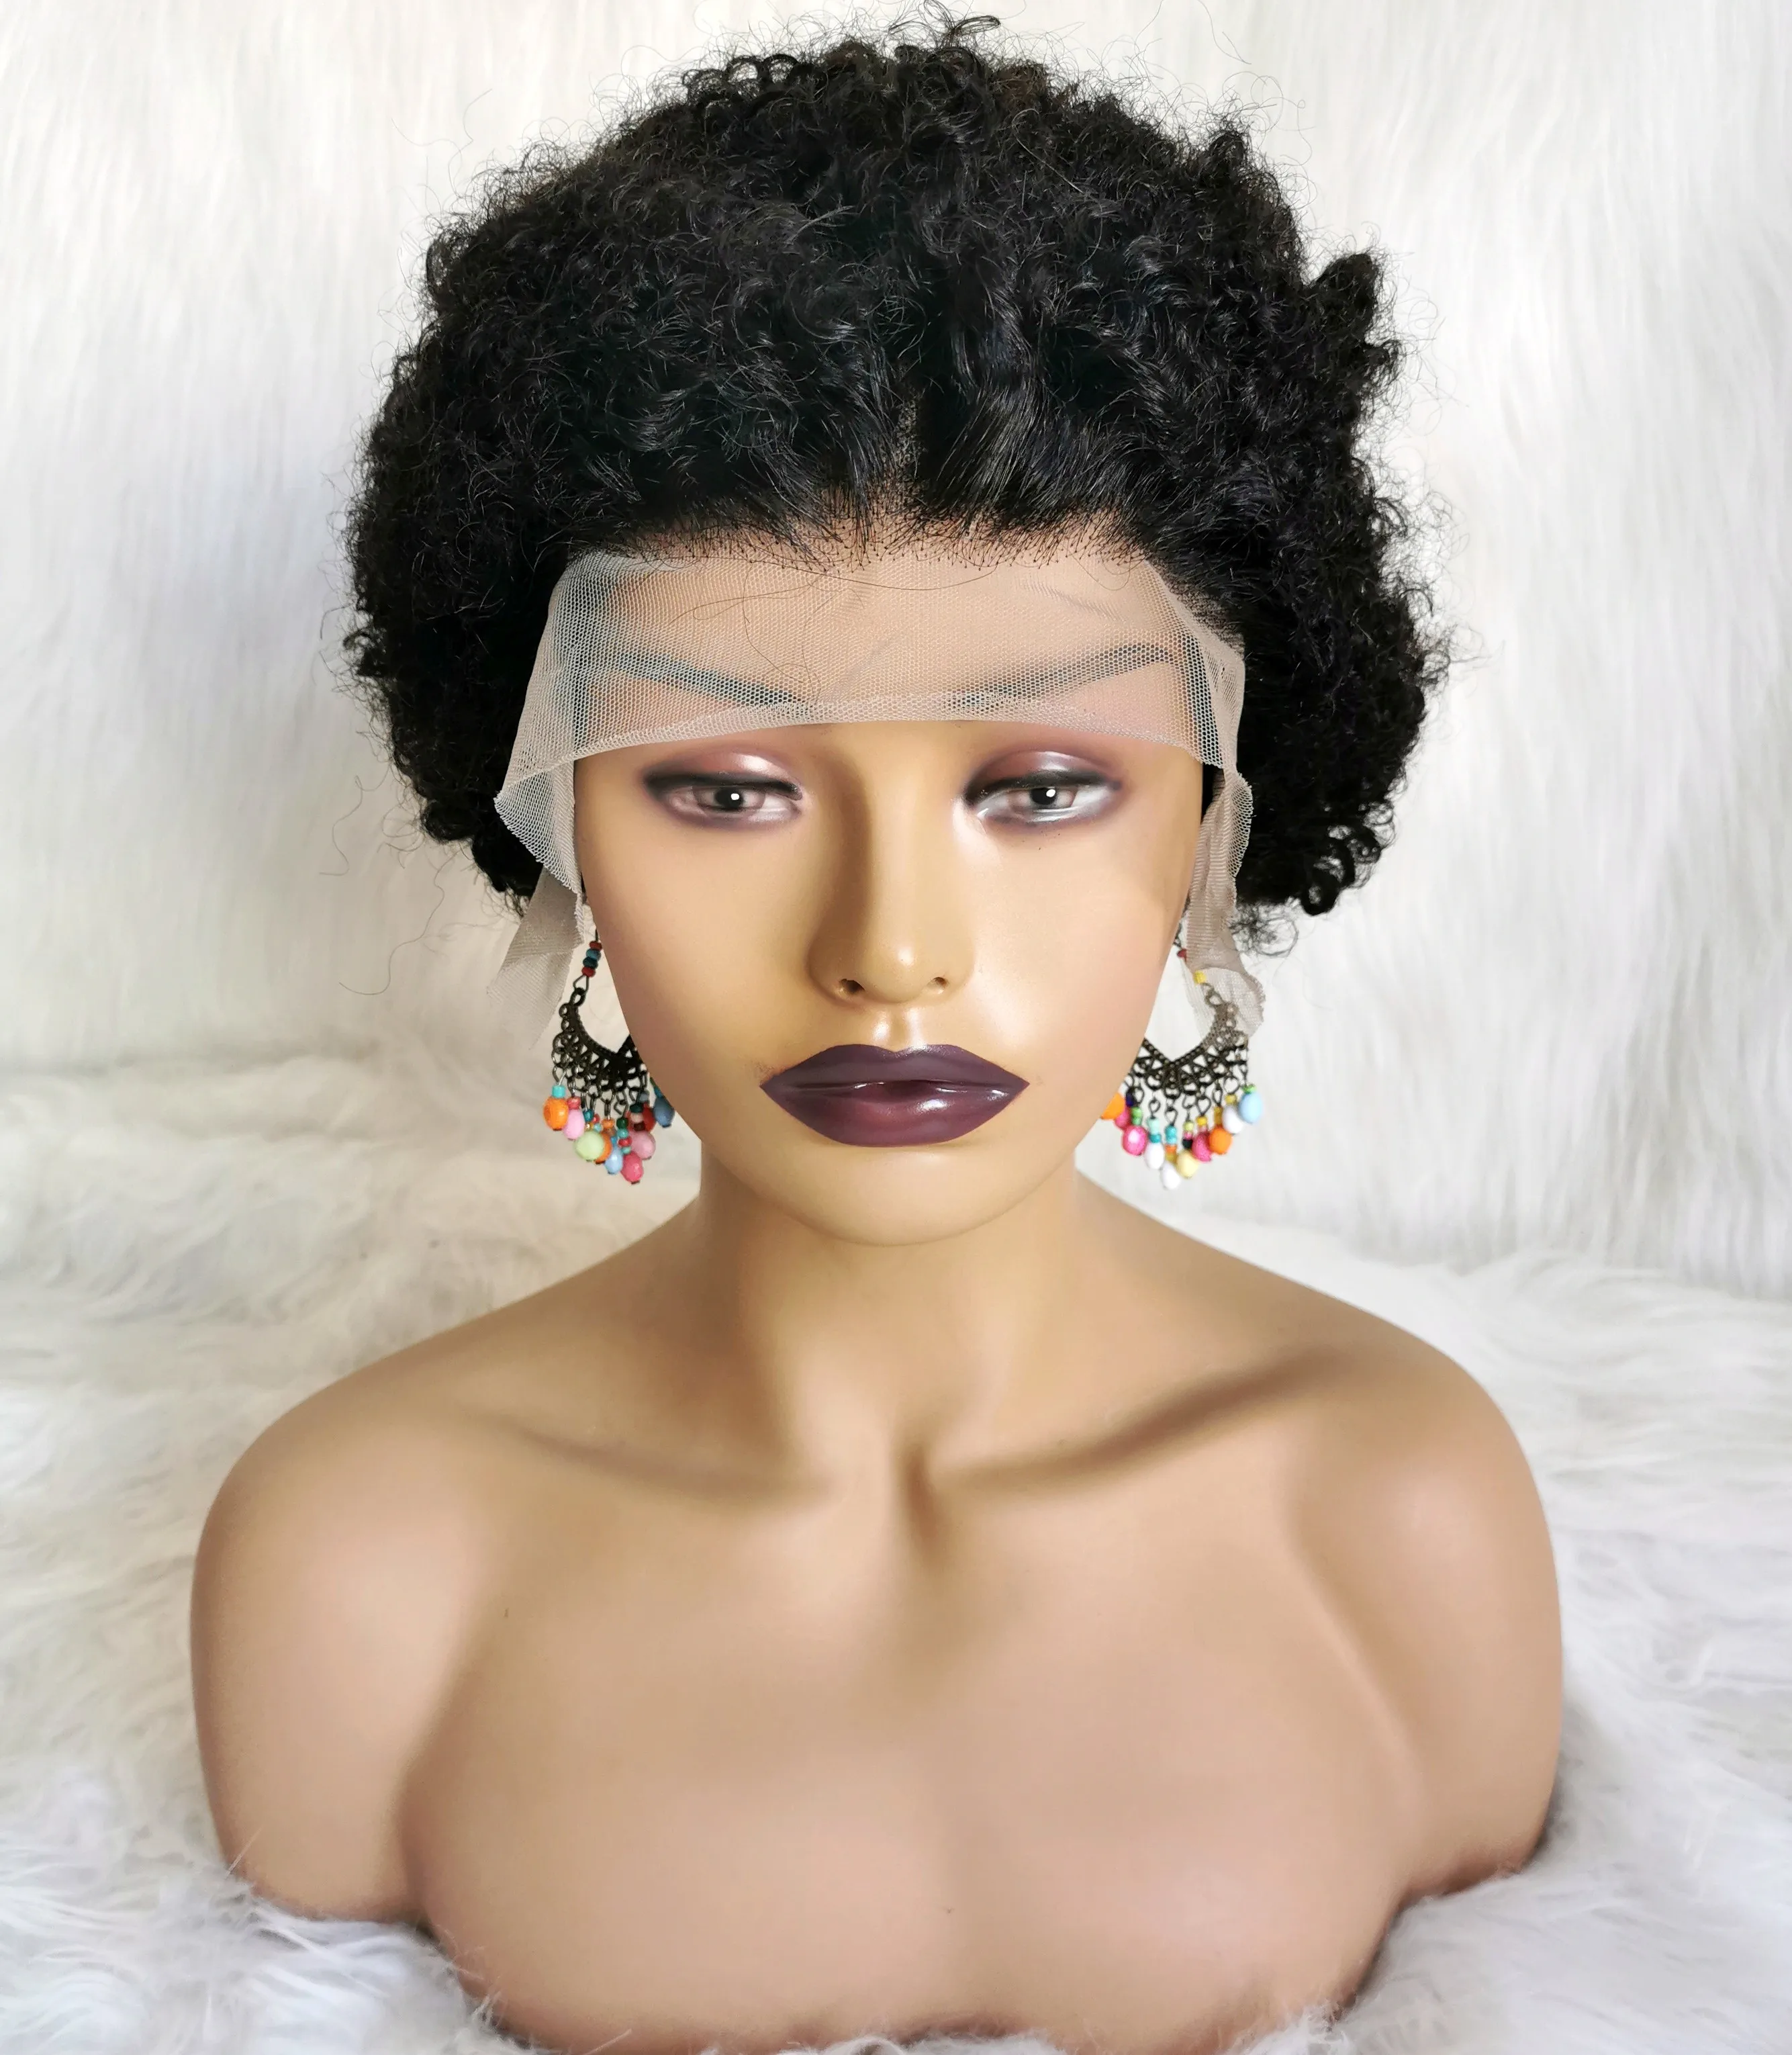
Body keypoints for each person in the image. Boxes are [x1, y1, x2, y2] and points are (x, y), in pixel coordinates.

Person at [190, 21, 1560, 2054]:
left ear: (1217, 812)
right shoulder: (357, 1567)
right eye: (727, 789)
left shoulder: (1399, 1513)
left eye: (1042, 787)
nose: (889, 953)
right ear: (558, 813)